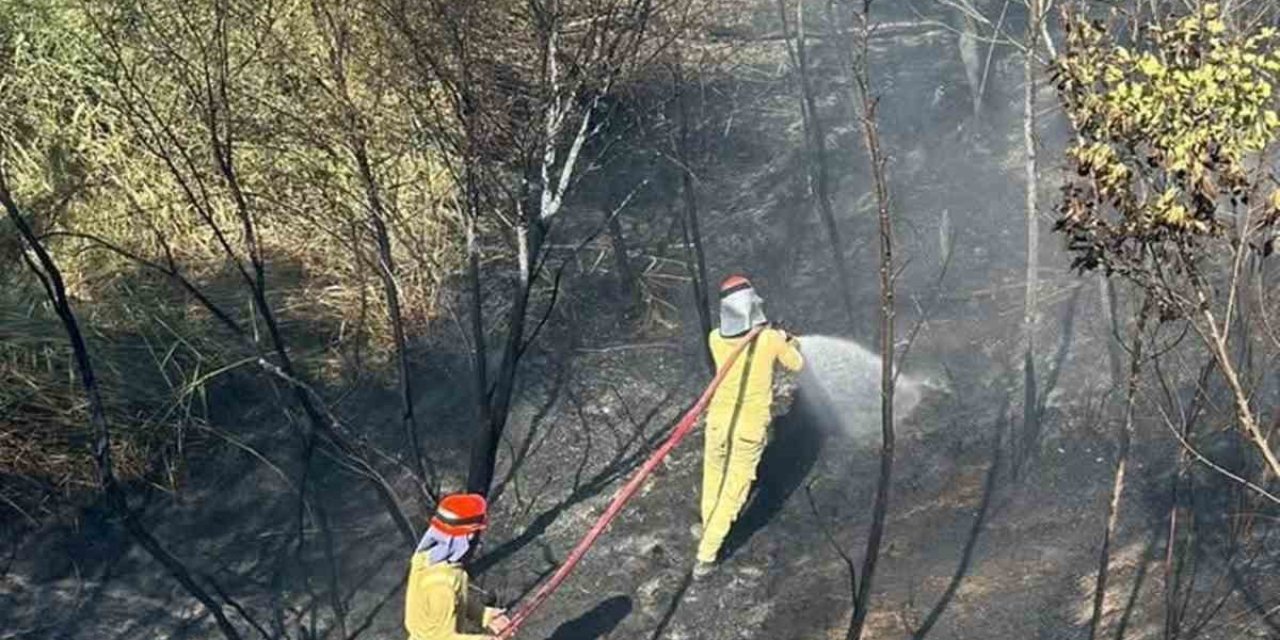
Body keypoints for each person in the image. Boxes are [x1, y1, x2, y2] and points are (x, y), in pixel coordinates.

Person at [695, 275, 804, 577]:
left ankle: (708, 528)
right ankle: (706, 555)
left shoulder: (715, 338)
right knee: (735, 490)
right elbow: (797, 364)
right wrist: (787, 340)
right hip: (748, 429)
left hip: (718, 424)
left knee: (713, 478)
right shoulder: (769, 341)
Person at [405, 493, 510, 639]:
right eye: (474, 533)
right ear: (465, 537)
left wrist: (484, 615)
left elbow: (456, 601)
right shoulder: (441, 587)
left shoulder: (429, 561)